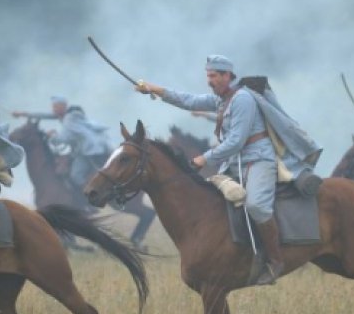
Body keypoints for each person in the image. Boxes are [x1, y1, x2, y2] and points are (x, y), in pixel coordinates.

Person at [136, 55, 321, 285]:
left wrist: (204, 158)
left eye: (213, 76)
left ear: (227, 76)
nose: (209, 81)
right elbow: (189, 101)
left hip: (258, 161)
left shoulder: (242, 99)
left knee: (256, 205)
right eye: (208, 76)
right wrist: (155, 89)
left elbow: (236, 141)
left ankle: (275, 260)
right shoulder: (222, 100)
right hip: (235, 163)